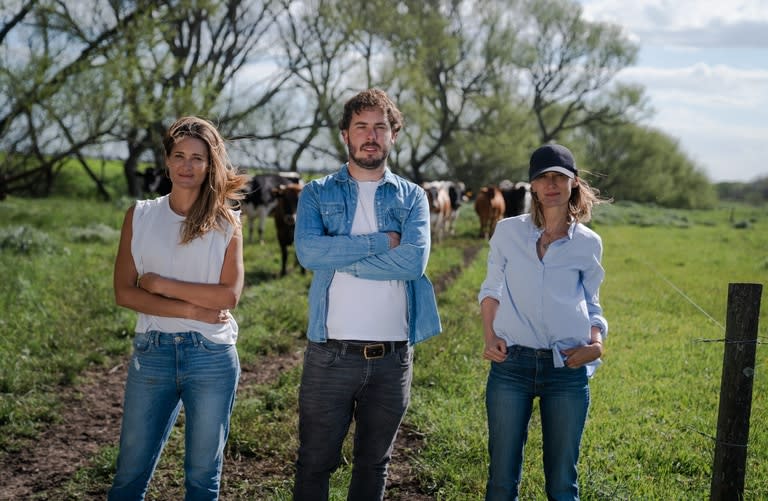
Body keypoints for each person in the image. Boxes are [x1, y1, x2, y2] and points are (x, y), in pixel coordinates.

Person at [292, 88, 442, 501]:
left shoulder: (412, 196)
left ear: (393, 135)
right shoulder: (317, 193)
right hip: (330, 354)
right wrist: (381, 242)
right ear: (345, 135)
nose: (370, 136)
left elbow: (413, 264)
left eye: (380, 127)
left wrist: (337, 256)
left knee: (375, 464)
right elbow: (308, 252)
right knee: (314, 462)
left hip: (392, 357)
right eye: (361, 126)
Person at [110, 116, 249, 500]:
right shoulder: (140, 214)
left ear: (210, 166)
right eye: (179, 156)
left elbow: (227, 297)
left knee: (203, 479)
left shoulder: (227, 222)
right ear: (167, 161)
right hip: (152, 354)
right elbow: (124, 293)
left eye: (198, 158)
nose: (187, 166)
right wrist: (193, 311)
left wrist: (159, 286)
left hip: (212, 358)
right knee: (129, 476)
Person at [478, 143, 610, 501]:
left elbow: (593, 305)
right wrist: (490, 337)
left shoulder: (588, 244)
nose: (551, 184)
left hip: (566, 366)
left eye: (559, 177)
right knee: (501, 481)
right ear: (532, 185)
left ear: (573, 183)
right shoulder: (508, 232)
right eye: (543, 177)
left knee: (563, 484)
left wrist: (596, 345)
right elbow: (491, 290)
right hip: (511, 365)